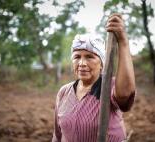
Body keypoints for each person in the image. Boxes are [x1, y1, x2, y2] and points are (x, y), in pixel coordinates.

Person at [52, 13, 136, 142]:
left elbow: (124, 94)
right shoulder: (64, 92)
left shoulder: (109, 86)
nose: (82, 63)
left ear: (102, 64)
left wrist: (123, 41)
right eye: (77, 57)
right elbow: (57, 135)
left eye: (90, 57)